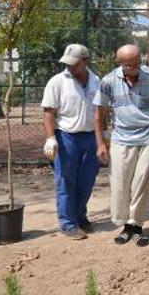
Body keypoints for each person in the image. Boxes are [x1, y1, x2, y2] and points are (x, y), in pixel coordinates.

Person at [93, 44, 149, 247]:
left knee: (141, 181)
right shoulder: (108, 81)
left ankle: (136, 225)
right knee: (120, 183)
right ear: (120, 63)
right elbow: (99, 114)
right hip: (121, 137)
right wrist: (101, 143)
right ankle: (123, 223)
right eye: (130, 64)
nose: (135, 67)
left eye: (137, 62)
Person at [41, 44, 101, 240]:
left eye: (74, 64)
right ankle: (67, 223)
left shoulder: (96, 81)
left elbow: (101, 112)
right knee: (66, 181)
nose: (70, 67)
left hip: (91, 137)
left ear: (85, 61)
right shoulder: (57, 82)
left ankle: (80, 217)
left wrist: (104, 137)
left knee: (87, 180)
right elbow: (49, 113)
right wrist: (50, 139)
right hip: (66, 137)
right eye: (67, 64)